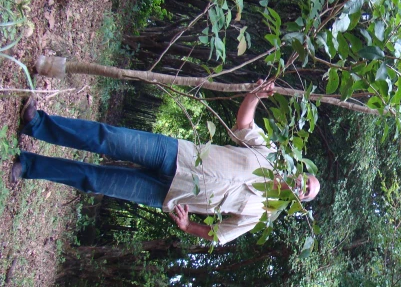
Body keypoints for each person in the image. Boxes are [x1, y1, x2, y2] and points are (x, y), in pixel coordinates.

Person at [10, 81, 320, 243]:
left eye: (306, 190)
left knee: (96, 180)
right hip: (174, 153)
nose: (302, 185)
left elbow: (221, 235)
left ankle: (29, 167)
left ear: (298, 199)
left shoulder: (260, 214)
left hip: (169, 195)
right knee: (109, 138)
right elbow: (244, 123)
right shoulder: (269, 153)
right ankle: (36, 124)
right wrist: (255, 95)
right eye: (307, 179)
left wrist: (188, 227)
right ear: (300, 170)